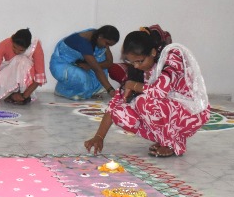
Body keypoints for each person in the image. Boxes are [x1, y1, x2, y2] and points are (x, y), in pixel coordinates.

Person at [84, 30, 209, 158]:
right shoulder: (137, 71)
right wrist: (99, 137)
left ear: (153, 52)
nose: (136, 66)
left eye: (140, 61)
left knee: (143, 102)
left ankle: (172, 144)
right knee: (119, 112)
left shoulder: (171, 58)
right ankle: (164, 139)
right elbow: (114, 105)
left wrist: (133, 85)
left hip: (190, 113)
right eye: (132, 62)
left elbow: (159, 91)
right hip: (169, 111)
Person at [0, 28, 46, 106]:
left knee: (21, 59)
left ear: (28, 47)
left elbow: (39, 76)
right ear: (12, 39)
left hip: (26, 81)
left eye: (21, 50)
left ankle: (22, 94)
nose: (16, 51)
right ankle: (12, 94)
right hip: (9, 75)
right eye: (14, 47)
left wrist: (24, 95)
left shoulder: (35, 47)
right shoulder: (4, 44)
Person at [49, 25, 120, 100]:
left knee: (102, 64)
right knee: (82, 79)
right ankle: (62, 90)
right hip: (61, 66)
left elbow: (109, 62)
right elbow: (97, 70)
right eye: (107, 43)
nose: (106, 46)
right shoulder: (84, 42)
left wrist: (89, 66)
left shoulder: (98, 36)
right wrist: (111, 90)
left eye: (109, 45)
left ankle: (88, 92)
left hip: (79, 64)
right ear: (100, 36)